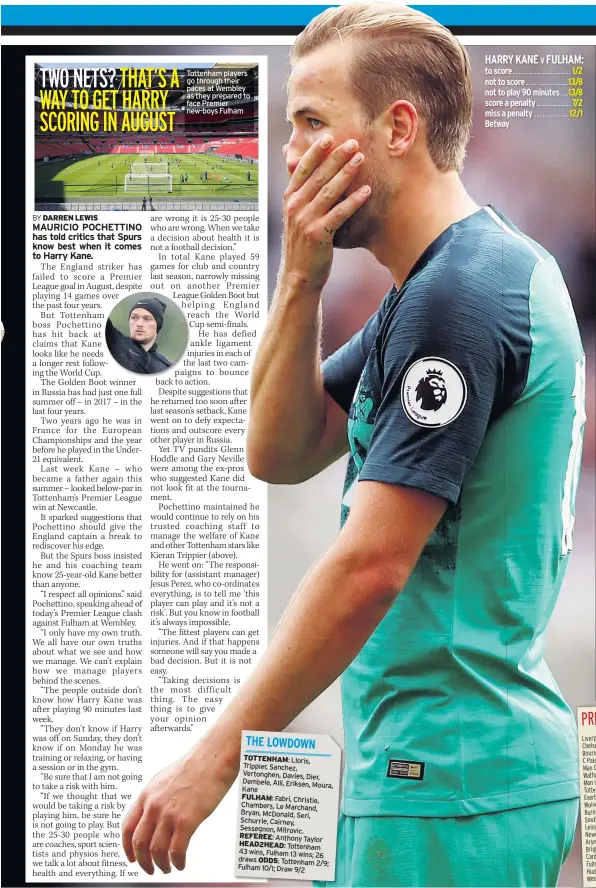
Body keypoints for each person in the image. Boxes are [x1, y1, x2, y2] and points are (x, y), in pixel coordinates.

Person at [121, 5, 584, 885]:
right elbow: (280, 450)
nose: (290, 155)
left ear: (398, 128)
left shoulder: (460, 299)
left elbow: (371, 564)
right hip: (444, 776)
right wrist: (300, 280)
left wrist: (218, 753)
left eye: (311, 123)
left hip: (449, 781)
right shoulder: (447, 281)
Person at [106, 297, 171, 373]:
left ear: (157, 325)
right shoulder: (114, 341)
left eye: (147, 319)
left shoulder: (166, 366)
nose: (139, 324)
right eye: (134, 317)